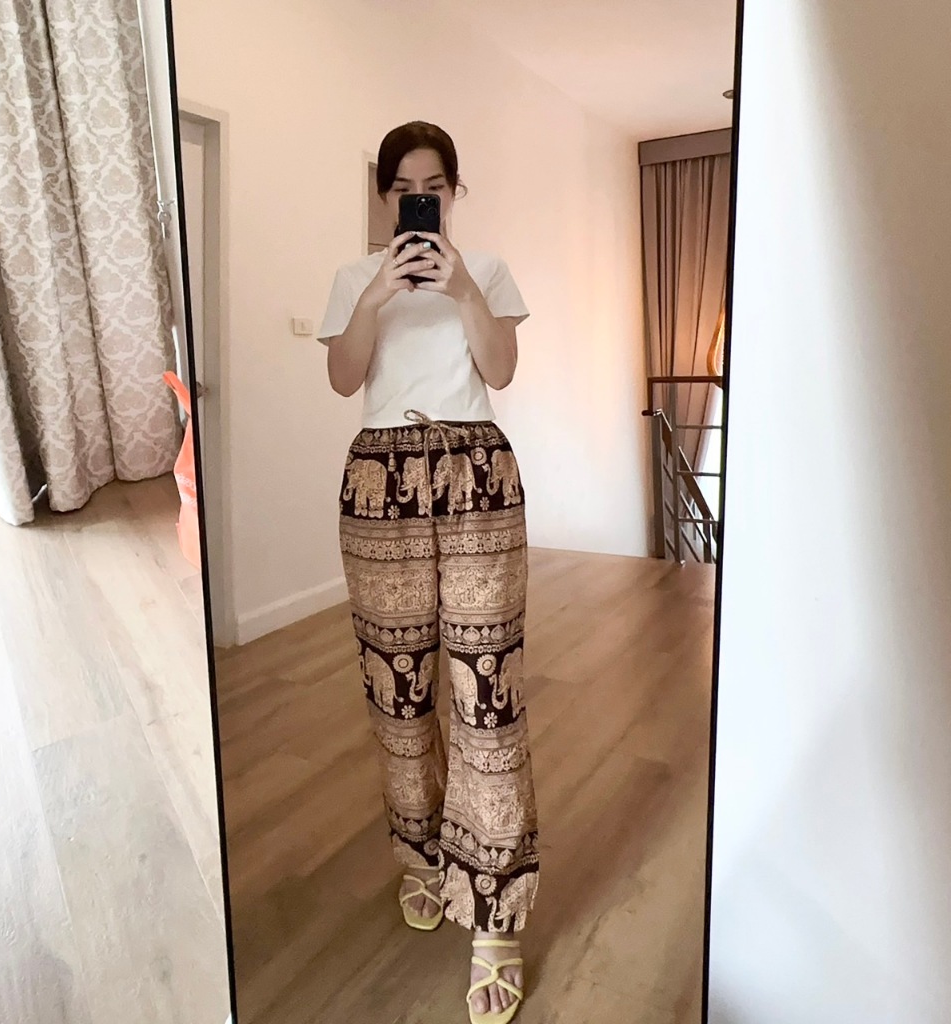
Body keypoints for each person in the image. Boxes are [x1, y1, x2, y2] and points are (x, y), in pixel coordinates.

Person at [317, 121, 539, 1024]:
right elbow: (343, 379)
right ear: (385, 196)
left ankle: (493, 914)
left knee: (487, 694)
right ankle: (419, 854)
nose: (421, 200)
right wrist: (378, 294)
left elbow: (502, 370)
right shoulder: (352, 279)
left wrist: (462, 291)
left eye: (435, 188)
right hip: (380, 480)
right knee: (398, 689)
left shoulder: (485, 270)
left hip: (478, 475)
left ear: (453, 192)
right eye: (406, 188)